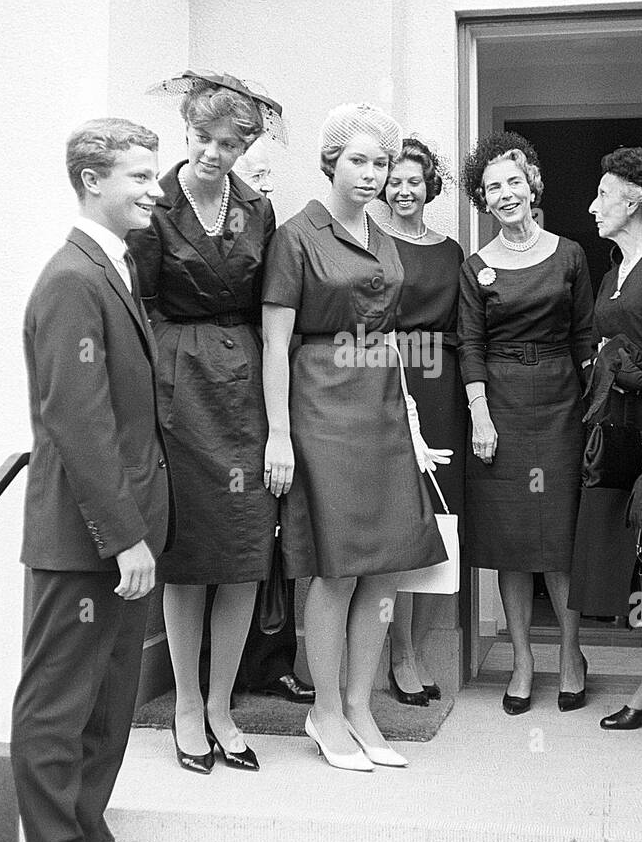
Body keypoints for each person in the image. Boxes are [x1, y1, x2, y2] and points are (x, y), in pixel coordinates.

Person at [11, 119, 178, 842]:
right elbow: (77, 423)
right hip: (86, 544)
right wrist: (126, 537)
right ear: (91, 182)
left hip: (119, 536)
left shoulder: (111, 266)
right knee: (58, 709)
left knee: (107, 710)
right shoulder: (72, 280)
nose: (155, 188)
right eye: (140, 176)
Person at [261, 103, 450, 771]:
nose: (372, 174)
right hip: (321, 405)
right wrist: (278, 435)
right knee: (338, 565)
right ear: (331, 162)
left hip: (381, 411)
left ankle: (362, 707)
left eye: (381, 162)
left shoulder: (384, 239)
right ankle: (325, 711)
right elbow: (275, 342)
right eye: (359, 161)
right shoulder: (296, 236)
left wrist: (415, 423)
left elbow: (394, 341)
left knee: (388, 563)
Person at [128, 71, 282, 773]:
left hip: (244, 382)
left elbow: (265, 307)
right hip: (179, 382)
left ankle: (223, 705)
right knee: (189, 556)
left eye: (230, 142)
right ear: (186, 135)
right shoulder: (154, 204)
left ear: (246, 143)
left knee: (245, 551)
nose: (215, 153)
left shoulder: (259, 207)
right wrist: (156, 390)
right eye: (203, 140)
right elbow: (142, 305)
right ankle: (187, 705)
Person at [459, 133, 594, 715]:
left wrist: (594, 412)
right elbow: (470, 346)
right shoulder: (476, 267)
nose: (505, 194)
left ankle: (571, 655)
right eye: (493, 188)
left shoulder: (570, 255)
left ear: (532, 184)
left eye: (514, 181)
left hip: (564, 400)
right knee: (511, 543)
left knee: (561, 539)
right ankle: (521, 660)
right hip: (503, 406)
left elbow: (586, 336)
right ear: (483, 201)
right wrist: (480, 417)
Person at [566, 146, 642, 730]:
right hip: (612, 428)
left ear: (636, 200)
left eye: (604, 195)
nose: (592, 207)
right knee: (634, 556)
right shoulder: (613, 272)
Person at [196, 136, 315, 706]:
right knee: (211, 534)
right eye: (256, 174)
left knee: (268, 535)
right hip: (204, 385)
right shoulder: (195, 225)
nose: (265, 186)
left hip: (263, 381)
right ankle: (212, 679)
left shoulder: (269, 225)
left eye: (270, 177)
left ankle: (271, 663)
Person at [379, 137, 465, 705]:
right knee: (402, 522)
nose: (405, 190)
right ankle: (397, 656)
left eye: (415, 180)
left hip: (445, 389)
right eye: (395, 180)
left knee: (445, 521)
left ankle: (422, 645)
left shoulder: (451, 250)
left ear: (429, 185)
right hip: (388, 382)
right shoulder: (368, 241)